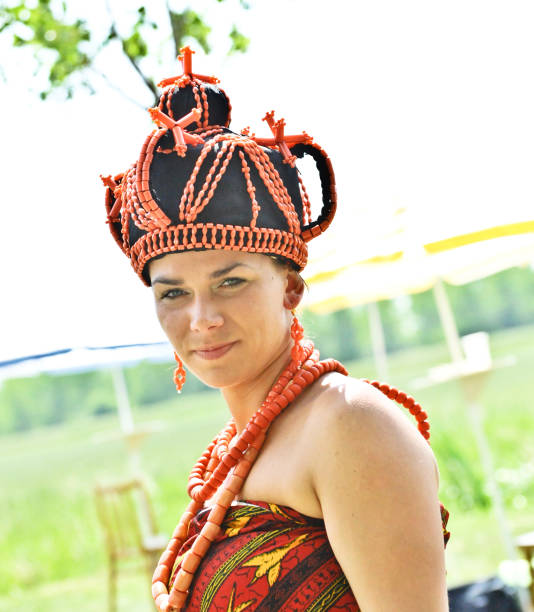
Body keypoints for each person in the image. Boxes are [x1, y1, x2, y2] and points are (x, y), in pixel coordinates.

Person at [102, 47, 451, 612]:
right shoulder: (233, 450)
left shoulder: (351, 426)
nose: (202, 318)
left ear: (291, 288)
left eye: (230, 282)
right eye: (173, 293)